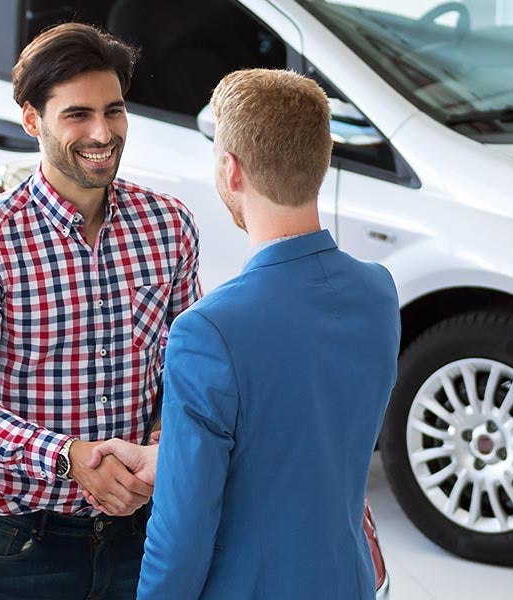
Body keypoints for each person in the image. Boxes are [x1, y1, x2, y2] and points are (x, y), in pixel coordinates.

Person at [89, 69, 402, 599]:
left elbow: (182, 530)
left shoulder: (208, 332)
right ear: (319, 163)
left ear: (230, 170)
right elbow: (298, 443)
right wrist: (172, 458)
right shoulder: (377, 292)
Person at [0, 22, 201, 600]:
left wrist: (154, 454)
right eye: (77, 114)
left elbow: (186, 371)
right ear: (33, 120)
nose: (102, 132)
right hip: (25, 544)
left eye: (114, 110)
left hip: (146, 533)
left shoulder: (168, 225)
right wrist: (69, 458)